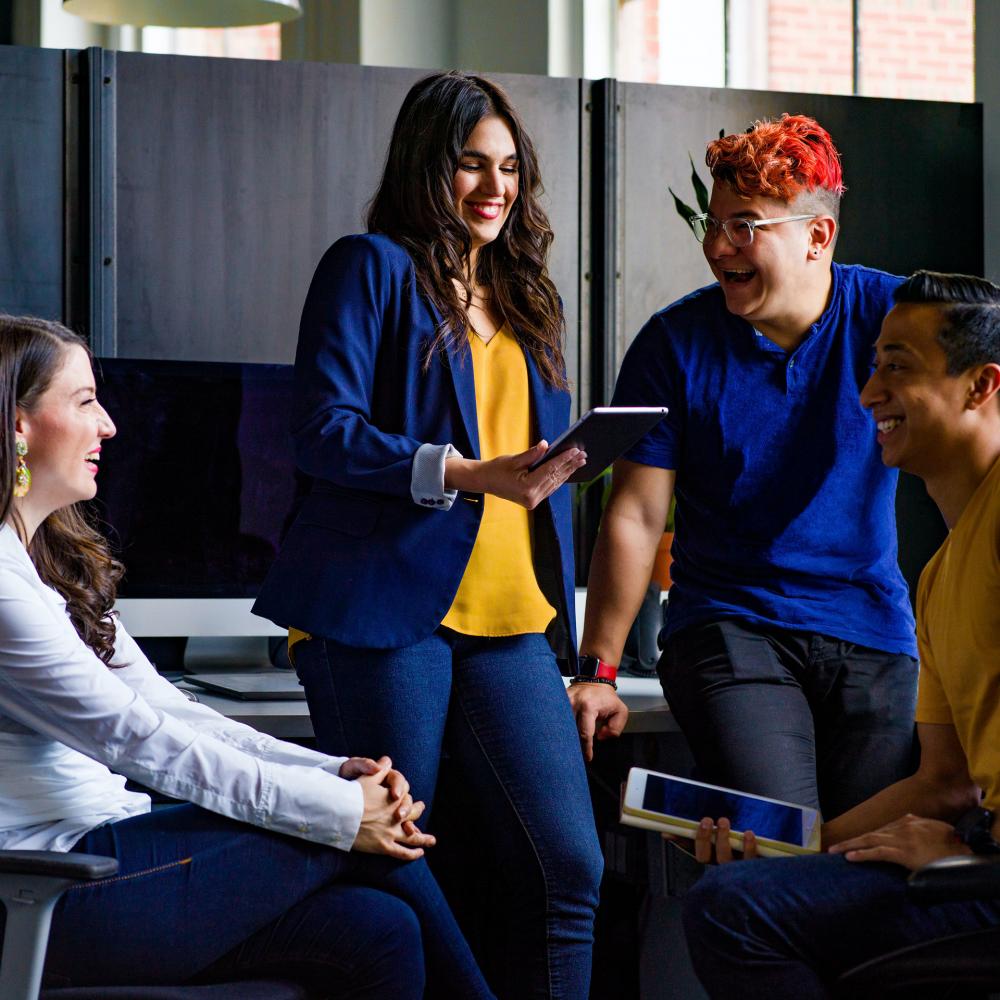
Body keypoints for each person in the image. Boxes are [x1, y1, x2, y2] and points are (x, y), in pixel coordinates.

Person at [0, 315, 494, 997]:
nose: (109, 425)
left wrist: (330, 770)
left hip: (112, 852)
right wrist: (344, 810)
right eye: (84, 401)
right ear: (17, 425)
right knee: (351, 826)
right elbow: (137, 739)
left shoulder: (48, 563)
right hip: (41, 892)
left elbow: (173, 710)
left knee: (378, 930)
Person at [252, 71, 603, 1000]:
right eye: (470, 165)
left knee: (570, 866)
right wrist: (463, 471)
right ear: (426, 165)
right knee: (397, 854)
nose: (495, 187)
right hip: (382, 608)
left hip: (510, 613)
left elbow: (519, 465)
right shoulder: (369, 267)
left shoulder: (526, 298)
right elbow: (322, 430)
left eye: (509, 169)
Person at [572, 114, 918, 819]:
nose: (716, 246)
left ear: (817, 237)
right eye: (714, 223)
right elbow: (636, 516)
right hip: (730, 628)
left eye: (745, 226)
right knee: (784, 842)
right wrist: (598, 672)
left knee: (866, 865)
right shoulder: (674, 345)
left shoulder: (894, 318)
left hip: (872, 629)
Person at [681, 269, 1000, 997]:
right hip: (976, 857)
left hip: (985, 871)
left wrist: (971, 854)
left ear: (981, 386)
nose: (868, 394)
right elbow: (944, 781)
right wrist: (781, 852)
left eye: (899, 368)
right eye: (872, 365)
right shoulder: (939, 576)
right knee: (752, 895)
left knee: (733, 916)